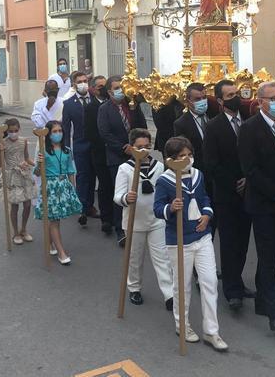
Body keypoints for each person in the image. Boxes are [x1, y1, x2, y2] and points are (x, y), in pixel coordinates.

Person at [153, 136, 228, 352]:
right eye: (181, 156)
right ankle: (182, 325)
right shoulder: (165, 181)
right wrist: (171, 207)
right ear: (171, 160)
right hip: (179, 241)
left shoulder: (198, 175)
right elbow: (157, 209)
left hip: (202, 237)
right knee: (182, 285)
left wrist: (206, 215)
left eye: (189, 155)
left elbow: (204, 198)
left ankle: (211, 331)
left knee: (210, 282)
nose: (187, 159)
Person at [239, 81, 275, 332]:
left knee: (272, 253)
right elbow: (250, 169)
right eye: (273, 98)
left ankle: (263, 299)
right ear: (260, 101)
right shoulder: (250, 129)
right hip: (263, 202)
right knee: (266, 255)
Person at [204, 79, 255, 309]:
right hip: (227, 193)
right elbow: (212, 164)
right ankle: (231, 290)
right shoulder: (213, 127)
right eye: (230, 94)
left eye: (237, 93)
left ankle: (238, 280)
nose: (236, 97)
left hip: (250, 191)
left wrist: (250, 180)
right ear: (220, 100)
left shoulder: (249, 121)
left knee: (243, 241)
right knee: (229, 241)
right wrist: (236, 182)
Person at [114, 128, 174, 309]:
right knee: (134, 257)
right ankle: (134, 288)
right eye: (139, 147)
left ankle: (169, 294)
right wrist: (126, 198)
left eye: (147, 146)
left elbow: (164, 191)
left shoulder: (159, 166)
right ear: (131, 148)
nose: (143, 150)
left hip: (156, 221)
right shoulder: (124, 169)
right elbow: (117, 195)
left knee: (163, 257)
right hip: (134, 222)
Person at [97, 75, 147, 246]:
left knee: (138, 192)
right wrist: (124, 147)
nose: (121, 91)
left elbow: (141, 126)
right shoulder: (104, 109)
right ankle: (121, 229)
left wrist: (138, 147)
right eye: (117, 88)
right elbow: (105, 133)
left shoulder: (131, 105)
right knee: (121, 194)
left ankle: (139, 226)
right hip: (117, 157)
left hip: (138, 155)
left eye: (122, 87)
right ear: (110, 91)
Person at [34, 120, 83, 265]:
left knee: (56, 218)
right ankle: (61, 252)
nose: (58, 134)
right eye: (54, 131)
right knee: (54, 220)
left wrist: (72, 189)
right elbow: (36, 172)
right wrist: (40, 163)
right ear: (48, 134)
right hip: (50, 187)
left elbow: (71, 170)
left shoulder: (67, 150)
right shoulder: (44, 151)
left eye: (60, 131)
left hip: (64, 186)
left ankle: (50, 243)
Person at [62, 71, 100, 226]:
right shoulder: (69, 104)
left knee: (94, 176)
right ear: (74, 84)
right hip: (80, 144)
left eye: (85, 80)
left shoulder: (96, 101)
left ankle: (90, 205)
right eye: (80, 81)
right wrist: (65, 149)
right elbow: (65, 127)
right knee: (83, 176)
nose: (83, 83)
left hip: (96, 144)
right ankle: (82, 208)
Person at [0, 118, 37, 245]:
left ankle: (24, 229)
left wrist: (36, 164)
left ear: (19, 129)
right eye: (11, 131)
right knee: (14, 205)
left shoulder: (24, 141)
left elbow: (27, 157)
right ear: (7, 131)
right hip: (12, 175)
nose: (14, 133)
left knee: (28, 204)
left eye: (16, 130)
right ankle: (15, 232)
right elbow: (0, 164)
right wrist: (0, 151)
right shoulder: (3, 143)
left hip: (24, 174)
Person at [85, 75, 115, 235]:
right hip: (100, 152)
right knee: (104, 186)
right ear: (94, 89)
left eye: (105, 86)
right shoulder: (91, 108)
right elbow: (90, 132)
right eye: (100, 86)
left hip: (115, 152)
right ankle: (106, 219)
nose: (103, 89)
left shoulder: (115, 105)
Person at [173, 83, 214, 199]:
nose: (202, 101)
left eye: (204, 97)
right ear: (188, 101)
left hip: (217, 175)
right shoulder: (181, 124)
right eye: (197, 99)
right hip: (197, 174)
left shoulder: (213, 116)